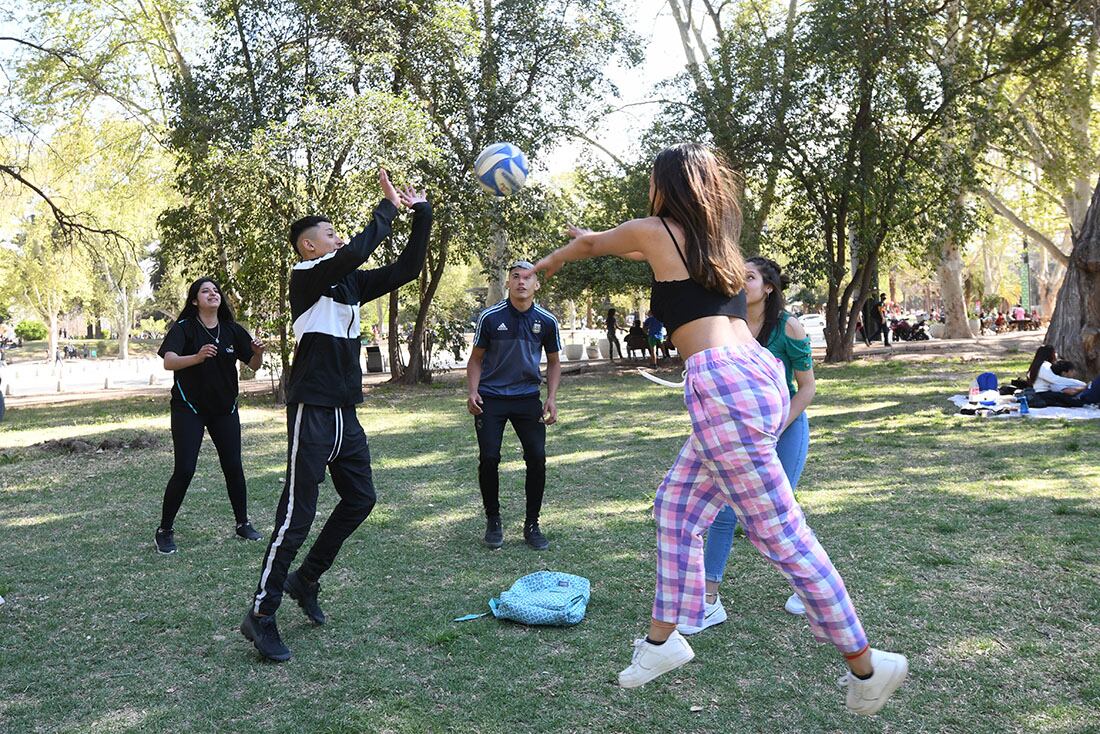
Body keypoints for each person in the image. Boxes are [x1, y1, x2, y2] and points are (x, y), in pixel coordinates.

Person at [532, 143, 906, 715]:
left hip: (724, 386)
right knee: (675, 510)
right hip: (754, 374)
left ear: (666, 186)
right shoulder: (715, 244)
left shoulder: (657, 228)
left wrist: (550, 262)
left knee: (783, 536)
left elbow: (591, 247)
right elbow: (637, 252)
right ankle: (662, 642)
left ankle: (867, 664)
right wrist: (603, 237)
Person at [241, 170, 431, 662]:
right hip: (313, 409)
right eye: (329, 232)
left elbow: (405, 270)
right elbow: (353, 253)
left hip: (346, 412)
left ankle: (307, 580)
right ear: (308, 247)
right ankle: (261, 614)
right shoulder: (305, 276)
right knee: (296, 514)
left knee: (361, 498)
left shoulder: (346, 283)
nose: (339, 237)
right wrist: (385, 208)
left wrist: (421, 215)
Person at [679, 256, 816, 635]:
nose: (742, 283)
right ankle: (709, 600)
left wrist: (774, 427)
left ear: (768, 287)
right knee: (723, 510)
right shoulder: (724, 325)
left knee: (779, 511)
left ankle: (810, 586)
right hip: (736, 428)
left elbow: (806, 389)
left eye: (750, 278)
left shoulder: (789, 327)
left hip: (784, 425)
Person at [155, 277, 266, 554]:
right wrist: (197, 356)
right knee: (185, 469)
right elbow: (169, 361)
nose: (212, 294)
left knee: (233, 466)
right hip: (189, 408)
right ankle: (164, 530)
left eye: (215, 290)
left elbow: (253, 365)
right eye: (205, 291)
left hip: (224, 409)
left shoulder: (231, 329)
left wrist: (258, 353)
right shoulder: (184, 328)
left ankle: (243, 524)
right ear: (195, 300)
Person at [467, 260, 561, 551]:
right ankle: (493, 520)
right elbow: (476, 359)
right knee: (490, 457)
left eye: (528, 277)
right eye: (516, 277)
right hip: (491, 398)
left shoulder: (546, 321)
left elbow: (555, 362)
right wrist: (472, 392)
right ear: (508, 283)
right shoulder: (491, 318)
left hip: (526, 398)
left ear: (537, 284)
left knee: (536, 457)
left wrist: (552, 397)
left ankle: (532, 524)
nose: (521, 282)